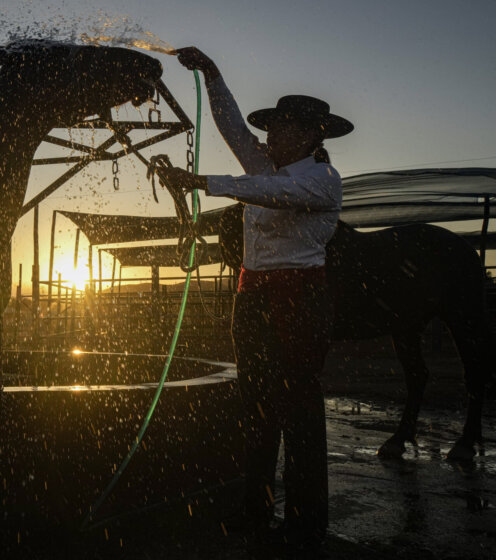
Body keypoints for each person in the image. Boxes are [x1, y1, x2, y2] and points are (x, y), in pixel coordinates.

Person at [154, 47, 354, 555]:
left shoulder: (322, 180)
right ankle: (256, 506)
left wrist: (202, 182)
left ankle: (306, 522)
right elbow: (231, 127)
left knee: (299, 406)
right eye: (272, 128)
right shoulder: (265, 166)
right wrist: (212, 73)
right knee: (257, 402)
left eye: (281, 129)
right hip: (254, 294)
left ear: (309, 136)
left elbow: (272, 195)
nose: (268, 137)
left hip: (299, 297)